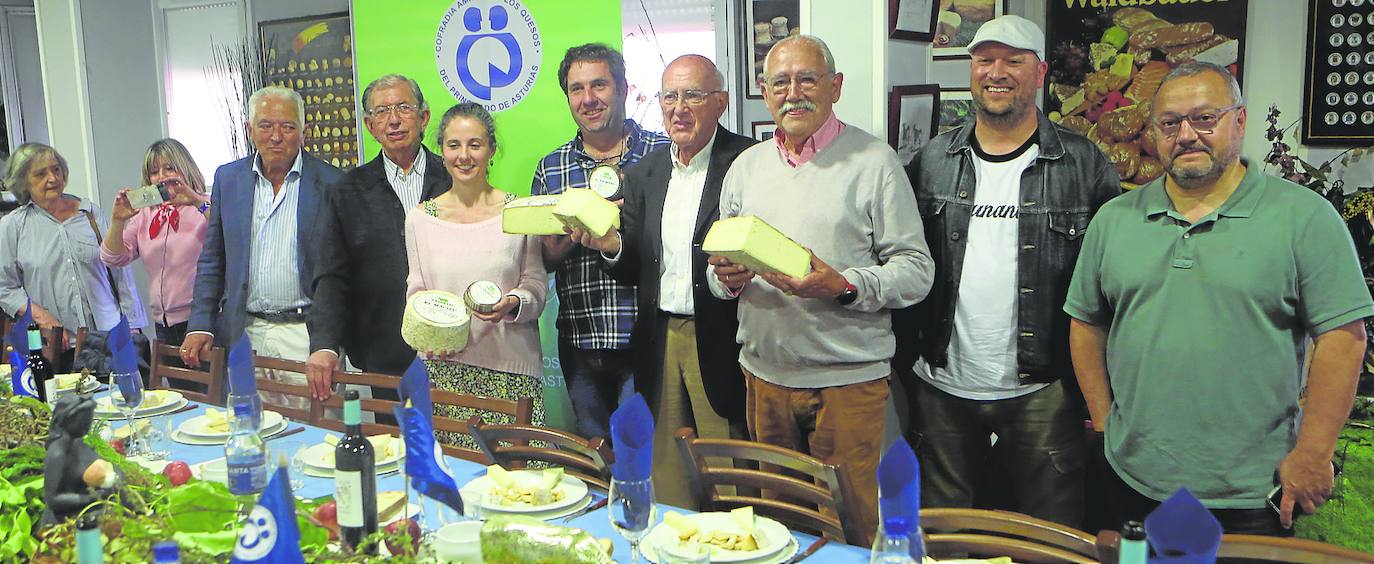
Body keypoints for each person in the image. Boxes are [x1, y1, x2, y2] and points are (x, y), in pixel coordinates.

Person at [1065, 61, 1373, 535]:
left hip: (1253, 493)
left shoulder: (1304, 217)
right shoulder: (1115, 219)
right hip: (1133, 483)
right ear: (1154, 130)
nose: (1186, 134)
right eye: (1170, 122)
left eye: (1205, 118)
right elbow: (1086, 323)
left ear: (1240, 121)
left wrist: (1314, 454)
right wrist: (1106, 425)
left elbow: (1343, 339)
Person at [706, 35, 934, 539]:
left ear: (835, 86)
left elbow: (917, 270)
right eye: (780, 83)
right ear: (764, 92)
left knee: (854, 524)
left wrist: (845, 284)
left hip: (848, 382)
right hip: (764, 377)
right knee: (779, 525)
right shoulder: (746, 168)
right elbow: (718, 270)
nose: (794, 94)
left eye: (807, 79)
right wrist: (725, 280)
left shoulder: (875, 162)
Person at [898, 15, 1120, 527]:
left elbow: (1109, 288)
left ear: (1039, 72)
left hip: (1043, 388)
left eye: (1013, 61)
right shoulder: (931, 159)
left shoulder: (1085, 164)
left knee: (1052, 531)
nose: (997, 72)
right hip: (940, 385)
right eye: (984, 60)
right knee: (943, 532)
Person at [571, 54, 756, 507]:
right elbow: (635, 264)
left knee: (729, 474)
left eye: (693, 95)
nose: (679, 108)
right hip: (659, 337)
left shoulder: (749, 161)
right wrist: (610, 246)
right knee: (668, 476)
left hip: (724, 337)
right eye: (670, 96)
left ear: (721, 102)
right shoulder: (646, 173)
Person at [531, 43, 670, 440]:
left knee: (643, 458)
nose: (588, 99)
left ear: (623, 88)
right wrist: (570, 237)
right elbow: (547, 258)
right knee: (596, 458)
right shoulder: (551, 167)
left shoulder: (662, 155)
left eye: (599, 85)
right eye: (577, 89)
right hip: (580, 343)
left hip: (647, 340)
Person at [182, 86, 343, 407]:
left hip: (304, 336)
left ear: (304, 132)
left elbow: (338, 275)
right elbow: (213, 259)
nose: (276, 136)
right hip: (245, 334)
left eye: (288, 126)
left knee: (315, 439)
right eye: (266, 125)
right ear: (250, 130)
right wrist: (200, 324)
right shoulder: (228, 180)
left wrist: (326, 345)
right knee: (249, 435)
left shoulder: (332, 183)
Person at [406, 102, 547, 443]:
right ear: (441, 151)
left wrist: (513, 302)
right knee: (452, 484)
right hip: (443, 372)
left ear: (491, 149)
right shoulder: (420, 219)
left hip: (511, 374)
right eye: (454, 145)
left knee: (516, 487)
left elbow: (536, 285)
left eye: (475, 144)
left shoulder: (519, 211)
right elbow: (417, 292)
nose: (464, 156)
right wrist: (429, 340)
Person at [306, 74, 449, 401]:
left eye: (403, 108)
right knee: (393, 449)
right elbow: (331, 274)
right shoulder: (348, 190)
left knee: (455, 451)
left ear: (424, 117)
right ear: (370, 126)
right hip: (384, 352)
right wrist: (325, 344)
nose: (394, 120)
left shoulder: (454, 178)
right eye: (382, 112)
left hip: (456, 351)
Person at [0, 143, 147, 368]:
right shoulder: (13, 226)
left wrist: (133, 324)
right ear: (24, 182)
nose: (52, 178)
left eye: (56, 169)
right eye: (41, 173)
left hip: (109, 337)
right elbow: (5, 287)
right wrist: (40, 316)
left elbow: (119, 270)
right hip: (58, 345)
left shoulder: (89, 213)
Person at [100, 138, 211, 347]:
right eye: (154, 172)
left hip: (202, 320)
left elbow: (228, 232)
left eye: (169, 168)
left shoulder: (204, 204)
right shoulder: (145, 214)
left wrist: (197, 202)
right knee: (170, 381)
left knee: (207, 380)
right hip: (163, 324)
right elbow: (112, 257)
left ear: (185, 168)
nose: (161, 177)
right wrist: (117, 221)